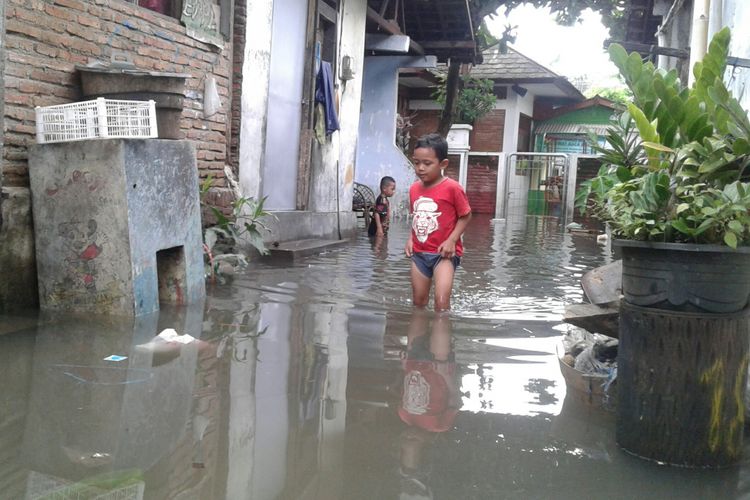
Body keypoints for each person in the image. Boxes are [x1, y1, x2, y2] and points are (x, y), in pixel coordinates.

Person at [404, 133, 472, 311]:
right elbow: (415, 217)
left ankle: (441, 336)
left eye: (427, 163)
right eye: (416, 162)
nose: (420, 168)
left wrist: (452, 240)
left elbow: (466, 215)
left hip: (445, 255)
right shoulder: (414, 189)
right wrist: (411, 239)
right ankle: (418, 336)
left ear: (443, 164)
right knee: (418, 302)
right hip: (419, 253)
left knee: (441, 304)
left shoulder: (452, 188)